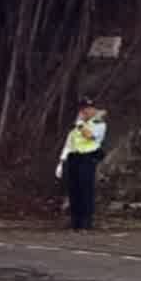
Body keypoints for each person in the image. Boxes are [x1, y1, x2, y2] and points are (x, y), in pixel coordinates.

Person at [57, 99, 107, 231]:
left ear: (94, 110)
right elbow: (69, 143)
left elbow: (90, 136)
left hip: (87, 158)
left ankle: (86, 222)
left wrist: (80, 124)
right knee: (74, 190)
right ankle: (75, 222)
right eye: (83, 108)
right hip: (74, 158)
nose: (85, 111)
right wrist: (61, 161)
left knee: (86, 190)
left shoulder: (98, 124)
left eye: (89, 108)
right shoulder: (77, 126)